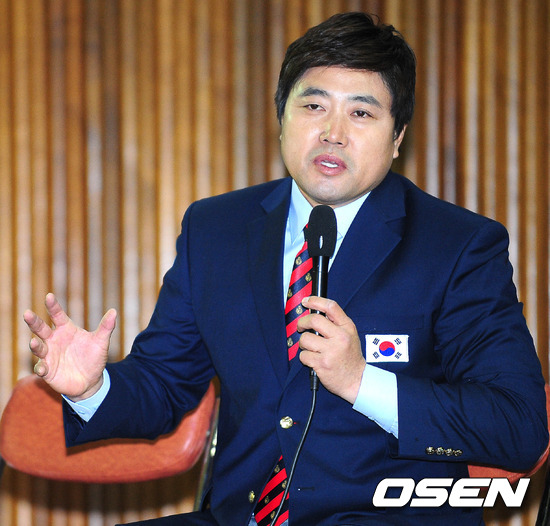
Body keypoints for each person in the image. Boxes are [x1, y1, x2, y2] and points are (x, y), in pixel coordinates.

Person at [24, 11, 547, 526]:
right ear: (282, 118)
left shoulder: (457, 246)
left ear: (397, 137)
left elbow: (518, 428)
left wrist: (361, 381)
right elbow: (164, 384)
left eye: (361, 113)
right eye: (314, 106)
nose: (333, 133)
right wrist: (90, 388)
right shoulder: (216, 230)